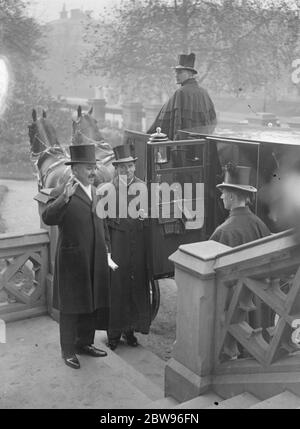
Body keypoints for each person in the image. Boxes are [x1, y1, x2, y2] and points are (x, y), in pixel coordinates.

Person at [42, 144, 113, 369]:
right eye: (87, 168)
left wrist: (107, 250)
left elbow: (103, 225)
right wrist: (63, 198)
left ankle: (85, 344)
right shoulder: (64, 190)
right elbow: (48, 217)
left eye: (93, 167)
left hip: (94, 258)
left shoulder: (97, 191)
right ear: (75, 170)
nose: (93, 172)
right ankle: (68, 350)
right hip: (72, 261)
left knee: (91, 303)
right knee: (71, 307)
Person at [105, 145, 151, 351]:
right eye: (123, 168)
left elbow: (150, 219)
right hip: (118, 248)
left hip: (138, 248)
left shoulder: (143, 187)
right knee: (117, 289)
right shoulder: (109, 190)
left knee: (135, 288)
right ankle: (114, 334)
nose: (128, 171)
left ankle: (130, 330)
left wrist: (144, 215)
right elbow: (103, 224)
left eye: (131, 166)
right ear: (117, 170)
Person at [147, 52, 217, 140]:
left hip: (183, 145)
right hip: (201, 144)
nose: (176, 75)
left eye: (180, 72)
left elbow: (171, 124)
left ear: (190, 74)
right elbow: (213, 121)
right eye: (176, 72)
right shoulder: (204, 92)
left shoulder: (181, 92)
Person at [210, 163, 271, 247]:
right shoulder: (260, 225)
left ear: (231, 196)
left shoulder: (222, 232)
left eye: (223, 193)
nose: (221, 197)